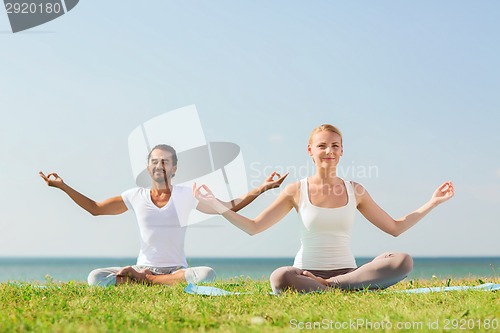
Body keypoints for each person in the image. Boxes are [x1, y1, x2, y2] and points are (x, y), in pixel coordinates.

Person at [194, 124, 454, 294]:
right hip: (305, 274)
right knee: (280, 277)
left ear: (342, 151)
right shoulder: (296, 190)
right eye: (322, 145)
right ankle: (335, 287)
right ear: (310, 151)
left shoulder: (356, 190)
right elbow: (253, 227)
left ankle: (330, 286)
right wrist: (218, 205)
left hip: (349, 273)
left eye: (335, 145)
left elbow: (395, 228)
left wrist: (432, 202)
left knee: (402, 260)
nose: (328, 150)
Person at [39, 144, 287, 287]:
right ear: (148, 167)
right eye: (154, 161)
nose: (160, 166)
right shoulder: (134, 196)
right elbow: (95, 208)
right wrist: (62, 186)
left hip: (177, 269)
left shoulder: (187, 194)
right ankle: (149, 279)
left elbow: (229, 207)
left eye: (166, 162)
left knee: (206, 274)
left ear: (175, 168)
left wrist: (262, 188)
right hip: (143, 265)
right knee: (95, 278)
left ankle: (144, 282)